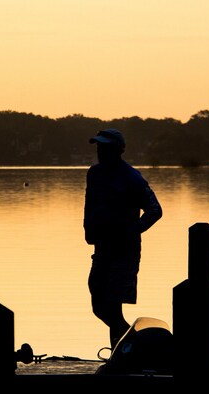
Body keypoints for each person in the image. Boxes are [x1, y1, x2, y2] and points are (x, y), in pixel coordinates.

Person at [84, 128, 163, 350]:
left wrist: (132, 230)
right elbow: (90, 204)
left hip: (124, 252)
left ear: (118, 150)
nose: (100, 151)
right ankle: (131, 346)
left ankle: (129, 350)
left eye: (105, 147)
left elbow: (155, 210)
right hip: (101, 249)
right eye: (99, 146)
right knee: (99, 305)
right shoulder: (95, 174)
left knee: (112, 304)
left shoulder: (131, 178)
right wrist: (88, 230)